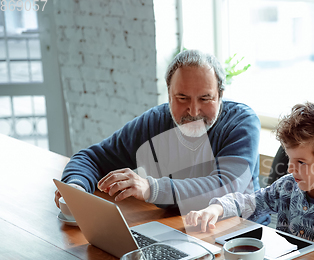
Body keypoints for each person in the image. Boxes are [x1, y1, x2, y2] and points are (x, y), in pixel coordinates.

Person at [55, 50, 261, 214]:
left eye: (205, 98)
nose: (194, 110)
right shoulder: (154, 121)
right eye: (182, 98)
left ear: (220, 95)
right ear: (169, 95)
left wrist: (151, 189)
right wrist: (76, 187)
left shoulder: (242, 122)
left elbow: (225, 187)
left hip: (240, 235)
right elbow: (92, 158)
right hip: (175, 228)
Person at [185, 102, 314, 260]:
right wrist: (216, 209)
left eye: (301, 162)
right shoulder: (287, 187)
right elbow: (250, 203)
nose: (290, 169)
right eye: (290, 159)